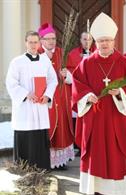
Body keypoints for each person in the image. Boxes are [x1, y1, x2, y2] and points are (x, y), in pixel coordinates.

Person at [72, 13, 126, 195]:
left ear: (114, 41)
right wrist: (87, 95)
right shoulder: (87, 63)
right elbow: (77, 85)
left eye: (108, 40)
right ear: (95, 42)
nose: (104, 44)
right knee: (96, 150)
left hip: (117, 118)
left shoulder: (124, 63)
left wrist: (121, 93)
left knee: (116, 150)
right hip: (95, 117)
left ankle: (117, 189)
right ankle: (93, 187)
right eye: (101, 40)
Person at [6, 31, 58, 170]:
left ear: (40, 43)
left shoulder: (45, 60)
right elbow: (11, 83)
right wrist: (26, 94)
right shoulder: (17, 62)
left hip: (40, 107)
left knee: (39, 138)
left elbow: (53, 80)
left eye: (36, 42)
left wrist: (47, 95)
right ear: (25, 43)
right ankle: (23, 170)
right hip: (25, 108)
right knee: (25, 135)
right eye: (30, 42)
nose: (33, 45)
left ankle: (41, 169)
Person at [38, 23, 75, 169]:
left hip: (62, 97)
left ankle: (60, 161)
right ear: (41, 40)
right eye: (47, 39)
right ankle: (45, 159)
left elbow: (74, 75)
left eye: (53, 38)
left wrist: (67, 75)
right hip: (46, 98)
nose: (51, 41)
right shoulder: (37, 54)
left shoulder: (62, 52)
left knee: (62, 127)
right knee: (47, 125)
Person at [66, 32, 96, 156]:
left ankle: (92, 145)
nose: (86, 42)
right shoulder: (73, 54)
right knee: (77, 118)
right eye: (84, 39)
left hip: (92, 92)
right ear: (80, 40)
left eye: (89, 39)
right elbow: (68, 70)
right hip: (77, 91)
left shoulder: (97, 53)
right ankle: (78, 145)